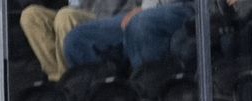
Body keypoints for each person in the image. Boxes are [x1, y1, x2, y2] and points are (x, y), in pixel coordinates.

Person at [62, 0, 195, 72]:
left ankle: (149, 100)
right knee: (77, 40)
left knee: (141, 25)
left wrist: (147, 8)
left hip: (188, 7)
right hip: (149, 9)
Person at [20, 0, 130, 81]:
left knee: (65, 16)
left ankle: (69, 82)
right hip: (75, 10)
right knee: (30, 16)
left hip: (108, 17)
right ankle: (57, 78)